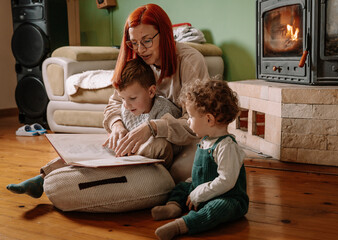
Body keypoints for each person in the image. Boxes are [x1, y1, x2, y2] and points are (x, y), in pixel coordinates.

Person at [6, 58, 181, 198]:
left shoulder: (165, 109)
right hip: (126, 155)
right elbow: (119, 127)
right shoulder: (125, 109)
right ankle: (41, 179)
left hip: (150, 157)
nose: (126, 105)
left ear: (151, 92)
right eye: (123, 99)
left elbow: (177, 137)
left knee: (157, 145)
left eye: (133, 98)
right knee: (93, 147)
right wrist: (116, 134)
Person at [103, 3, 209, 159]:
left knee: (180, 169)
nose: (140, 49)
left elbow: (197, 120)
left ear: (165, 34)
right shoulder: (137, 60)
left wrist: (152, 127)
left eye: (146, 40)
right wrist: (117, 126)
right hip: (151, 138)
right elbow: (115, 103)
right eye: (134, 42)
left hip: (187, 139)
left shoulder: (190, 62)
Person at [151, 79, 249, 240]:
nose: (188, 120)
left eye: (190, 116)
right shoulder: (204, 141)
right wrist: (193, 184)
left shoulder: (226, 147)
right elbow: (201, 172)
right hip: (201, 191)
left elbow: (227, 180)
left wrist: (199, 193)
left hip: (226, 197)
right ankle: (173, 206)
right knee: (182, 187)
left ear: (209, 119)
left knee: (218, 208)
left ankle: (182, 225)